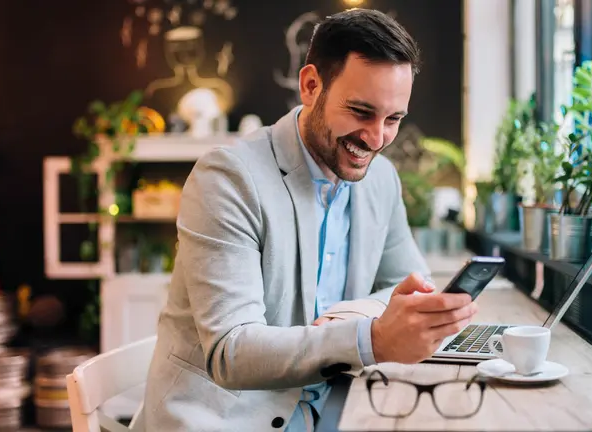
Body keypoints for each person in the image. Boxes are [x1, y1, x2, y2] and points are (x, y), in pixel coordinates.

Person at [143, 8, 478, 431]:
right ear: (310, 86)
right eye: (361, 112)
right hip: (225, 420)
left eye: (393, 119)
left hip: (333, 407)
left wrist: (351, 317)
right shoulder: (228, 178)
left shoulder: (380, 180)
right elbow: (231, 351)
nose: (377, 139)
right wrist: (372, 337)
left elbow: (409, 282)